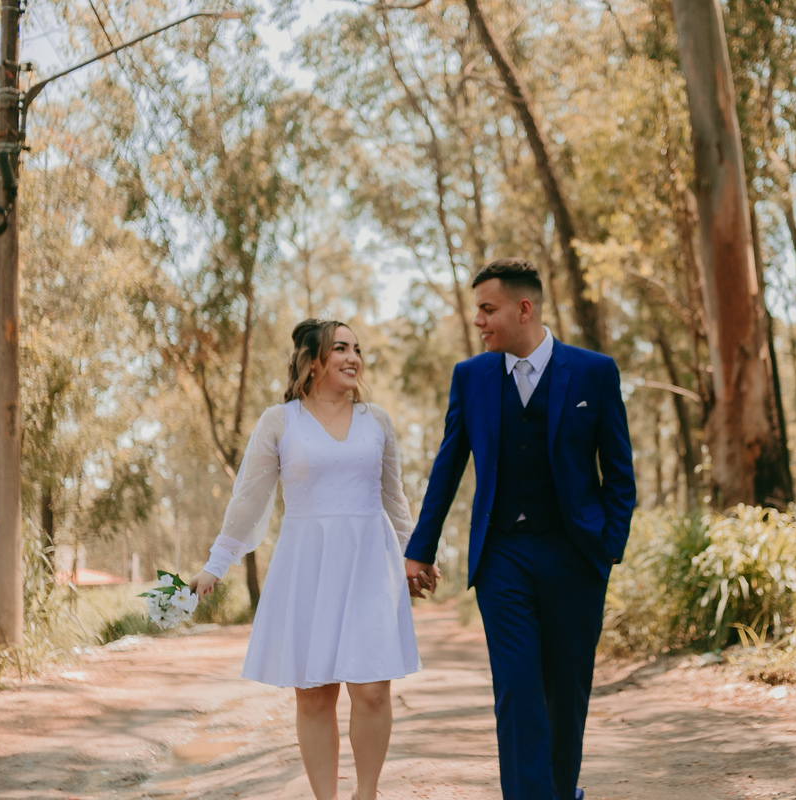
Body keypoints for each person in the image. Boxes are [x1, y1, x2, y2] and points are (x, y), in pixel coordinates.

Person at [404, 258, 636, 800]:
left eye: (488, 309)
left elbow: (619, 472)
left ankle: (559, 792)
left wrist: (608, 548)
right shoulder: (471, 377)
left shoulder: (594, 372)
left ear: (523, 308)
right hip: (502, 557)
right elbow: (447, 466)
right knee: (516, 687)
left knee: (566, 690)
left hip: (575, 555)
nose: (478, 321)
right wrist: (421, 548)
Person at [188, 319, 419, 800]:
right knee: (315, 694)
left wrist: (415, 553)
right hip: (308, 565)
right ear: (313, 362)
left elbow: (394, 497)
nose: (353, 358)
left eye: (357, 349)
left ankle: (366, 794)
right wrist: (216, 564)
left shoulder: (376, 420)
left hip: (368, 565)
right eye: (341, 349)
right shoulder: (280, 421)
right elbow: (248, 499)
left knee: (372, 689)